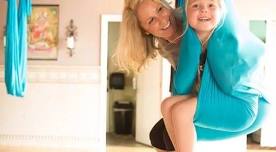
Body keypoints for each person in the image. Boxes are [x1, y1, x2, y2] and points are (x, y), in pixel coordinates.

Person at [115, 0, 270, 151]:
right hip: (210, 91)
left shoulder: (194, 17)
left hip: (243, 101)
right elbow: (185, 83)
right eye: (151, 20)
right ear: (145, 30)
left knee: (177, 119)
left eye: (160, 10)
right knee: (162, 124)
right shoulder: (166, 46)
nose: (162, 20)